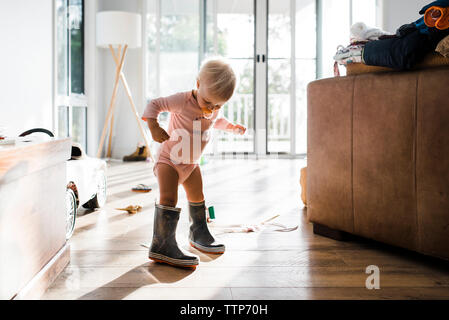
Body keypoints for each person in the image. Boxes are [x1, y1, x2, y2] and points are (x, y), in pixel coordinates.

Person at [142, 58, 246, 268]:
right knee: (169, 198)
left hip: (191, 164)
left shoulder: (213, 107)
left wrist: (231, 127)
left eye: (218, 105)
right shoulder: (182, 100)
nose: (211, 108)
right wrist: (154, 127)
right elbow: (154, 105)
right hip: (169, 161)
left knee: (198, 196)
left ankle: (198, 232)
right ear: (198, 85)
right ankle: (162, 244)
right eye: (208, 102)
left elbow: (217, 121)